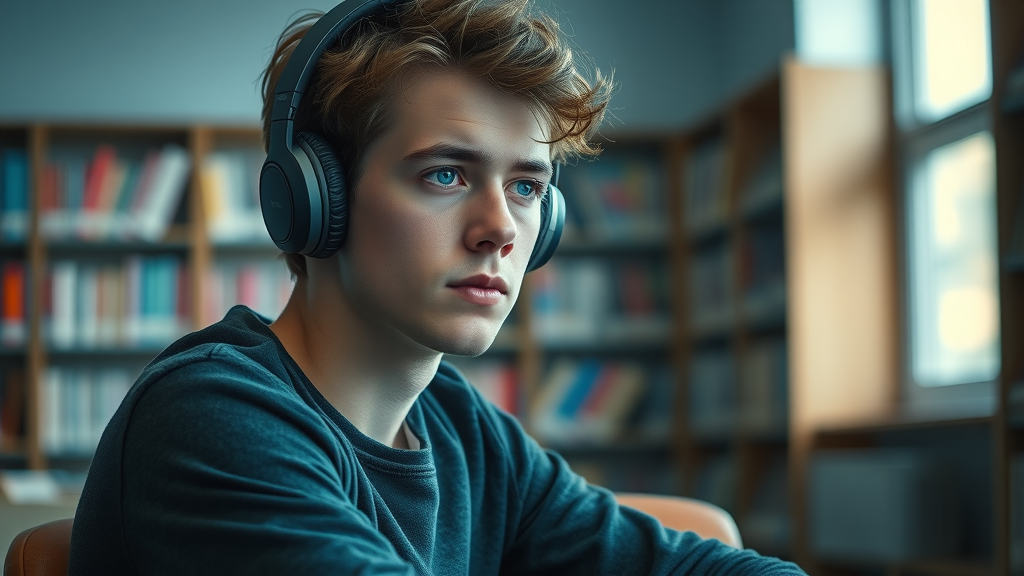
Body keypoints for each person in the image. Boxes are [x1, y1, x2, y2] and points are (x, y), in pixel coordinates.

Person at [69, 0, 806, 574]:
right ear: (314, 201)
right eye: (445, 175)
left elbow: (681, 567)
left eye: (525, 186)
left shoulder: (457, 424)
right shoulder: (211, 417)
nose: (500, 229)